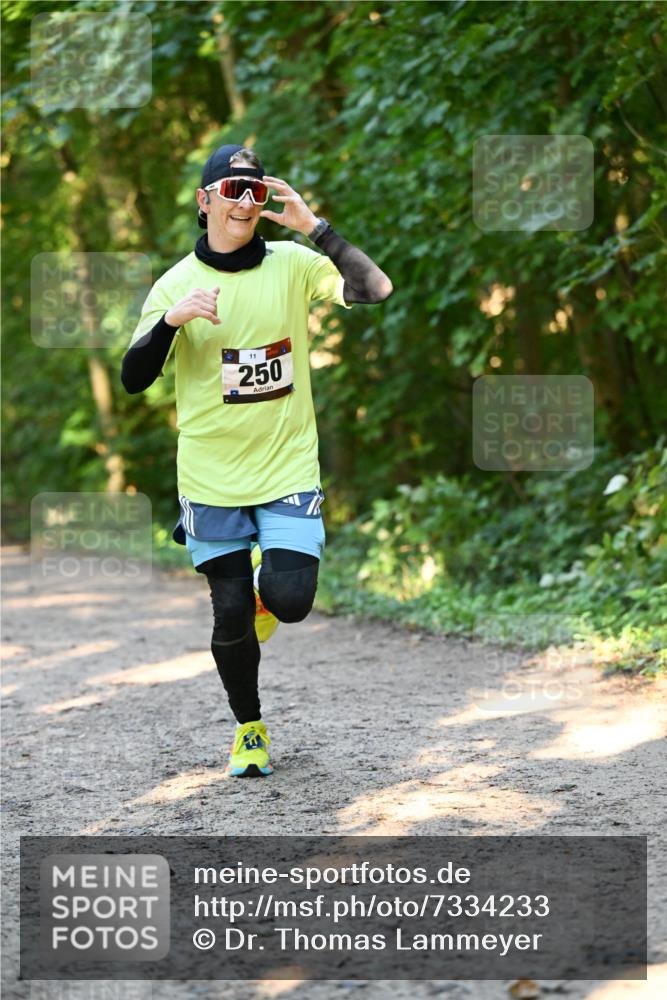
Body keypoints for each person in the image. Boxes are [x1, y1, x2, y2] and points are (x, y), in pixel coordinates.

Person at [121, 143, 392, 777]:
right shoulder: (174, 285)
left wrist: (315, 228)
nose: (246, 201)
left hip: (287, 467)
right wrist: (170, 321)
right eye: (233, 189)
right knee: (230, 610)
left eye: (256, 190)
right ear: (205, 200)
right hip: (211, 477)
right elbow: (135, 377)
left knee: (290, 599)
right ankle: (249, 729)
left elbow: (375, 288)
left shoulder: (295, 264)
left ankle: (274, 602)